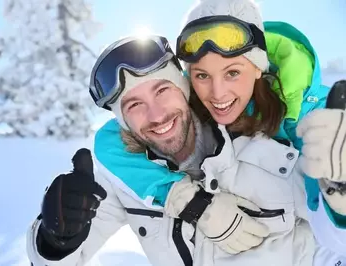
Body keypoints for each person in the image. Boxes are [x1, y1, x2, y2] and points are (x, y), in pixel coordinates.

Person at [27, 38, 345, 266]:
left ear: (185, 88)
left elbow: (334, 243)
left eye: (163, 90)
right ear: (122, 122)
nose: (156, 115)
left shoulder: (265, 148)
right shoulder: (120, 180)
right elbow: (54, 262)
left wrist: (340, 192)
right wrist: (55, 238)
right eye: (134, 105)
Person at [91, 0, 346, 257]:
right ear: (189, 80)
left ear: (258, 67)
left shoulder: (307, 119)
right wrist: (187, 200)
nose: (217, 93)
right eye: (202, 75)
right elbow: (109, 140)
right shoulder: (191, 107)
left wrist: (339, 199)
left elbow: (328, 237)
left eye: (232, 73)